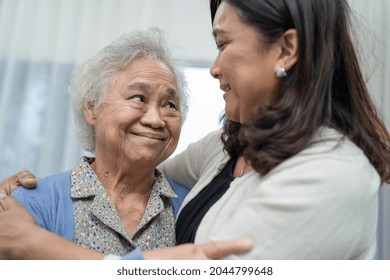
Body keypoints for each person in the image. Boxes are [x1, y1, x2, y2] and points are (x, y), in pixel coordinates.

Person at [1, 0, 390, 259]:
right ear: (92, 107)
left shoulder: (331, 174)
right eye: (138, 97)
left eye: (170, 104)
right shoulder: (224, 149)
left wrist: (34, 245)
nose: (215, 68)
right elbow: (140, 169)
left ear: (286, 50)